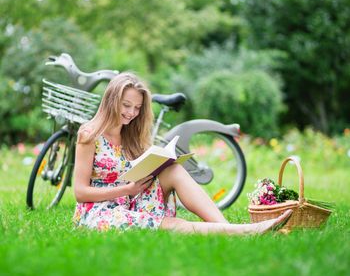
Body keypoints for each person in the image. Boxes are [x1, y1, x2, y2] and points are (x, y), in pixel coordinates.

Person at [73, 73, 292, 234]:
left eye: (137, 108)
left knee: (173, 169)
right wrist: (127, 189)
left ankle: (226, 227)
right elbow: (80, 193)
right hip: (100, 212)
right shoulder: (89, 135)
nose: (132, 113)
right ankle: (244, 232)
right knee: (173, 226)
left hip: (129, 200)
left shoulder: (130, 136)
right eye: (126, 105)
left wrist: (154, 167)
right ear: (112, 101)